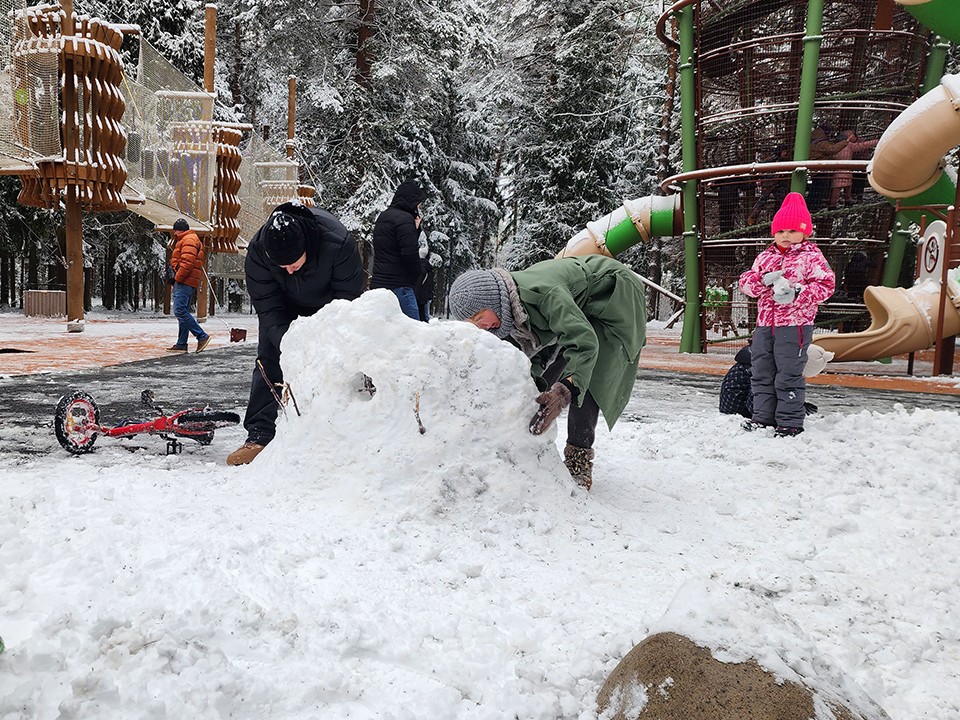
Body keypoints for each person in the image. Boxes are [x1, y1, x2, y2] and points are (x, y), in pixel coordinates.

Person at [448, 254, 647, 490]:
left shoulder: (544, 295)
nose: (482, 327)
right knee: (545, 372)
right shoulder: (514, 305)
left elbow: (584, 343)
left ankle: (578, 459)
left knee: (589, 374)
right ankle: (529, 436)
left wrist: (564, 392)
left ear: (493, 299)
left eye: (480, 318)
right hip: (580, 307)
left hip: (614, 297)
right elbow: (538, 347)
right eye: (474, 325)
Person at [226, 201, 364, 466]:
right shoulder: (258, 253)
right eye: (281, 267)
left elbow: (347, 304)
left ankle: (331, 429)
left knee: (333, 362)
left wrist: (320, 343)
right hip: (283, 306)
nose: (288, 271)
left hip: (330, 306)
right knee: (268, 359)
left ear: (306, 249)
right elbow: (268, 309)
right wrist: (290, 345)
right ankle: (259, 434)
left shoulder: (338, 243)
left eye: (293, 264)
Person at [738, 192, 835, 437]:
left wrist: (797, 292)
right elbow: (746, 283)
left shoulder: (811, 257)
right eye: (781, 231)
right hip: (764, 326)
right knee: (761, 372)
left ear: (804, 232)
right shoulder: (765, 257)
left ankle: (790, 422)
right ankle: (762, 418)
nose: (785, 236)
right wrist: (761, 281)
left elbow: (826, 286)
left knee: (788, 374)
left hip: (795, 326)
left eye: (792, 231)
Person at [371, 180, 427, 320]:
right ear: (411, 200)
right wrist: (417, 273)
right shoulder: (405, 219)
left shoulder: (383, 216)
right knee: (412, 331)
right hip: (400, 285)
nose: (419, 206)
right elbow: (409, 253)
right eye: (418, 202)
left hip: (379, 284)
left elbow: (390, 247)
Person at [719, 345, 821, 420]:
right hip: (736, 411)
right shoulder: (767, 369)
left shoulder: (767, 360)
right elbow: (758, 401)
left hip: (739, 403)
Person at [166, 218, 211, 354]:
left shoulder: (188, 240)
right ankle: (181, 343)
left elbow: (187, 263)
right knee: (183, 310)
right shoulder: (189, 239)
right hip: (187, 280)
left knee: (179, 310)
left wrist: (177, 279)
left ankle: (201, 336)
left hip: (184, 280)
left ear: (178, 230)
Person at [829, 130, 878, 208]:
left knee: (837, 188)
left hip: (837, 170)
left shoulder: (834, 146)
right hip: (847, 169)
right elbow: (863, 145)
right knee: (847, 187)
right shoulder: (849, 145)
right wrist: (876, 141)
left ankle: (833, 204)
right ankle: (846, 202)